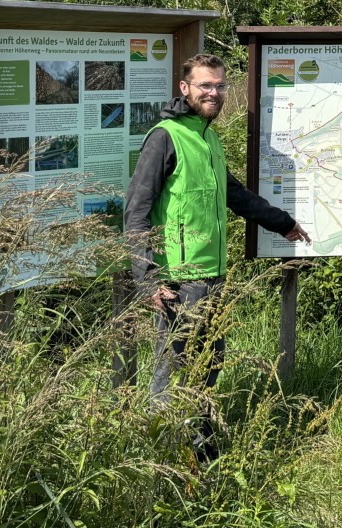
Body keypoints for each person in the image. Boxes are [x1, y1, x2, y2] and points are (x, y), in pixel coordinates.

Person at [125, 53, 311, 437]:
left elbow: (234, 195)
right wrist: (146, 279)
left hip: (213, 275)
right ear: (185, 88)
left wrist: (283, 223)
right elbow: (136, 211)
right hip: (177, 281)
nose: (213, 92)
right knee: (174, 368)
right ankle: (161, 451)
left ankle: (200, 446)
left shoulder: (207, 138)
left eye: (219, 85)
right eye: (205, 85)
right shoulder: (165, 138)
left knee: (208, 365)